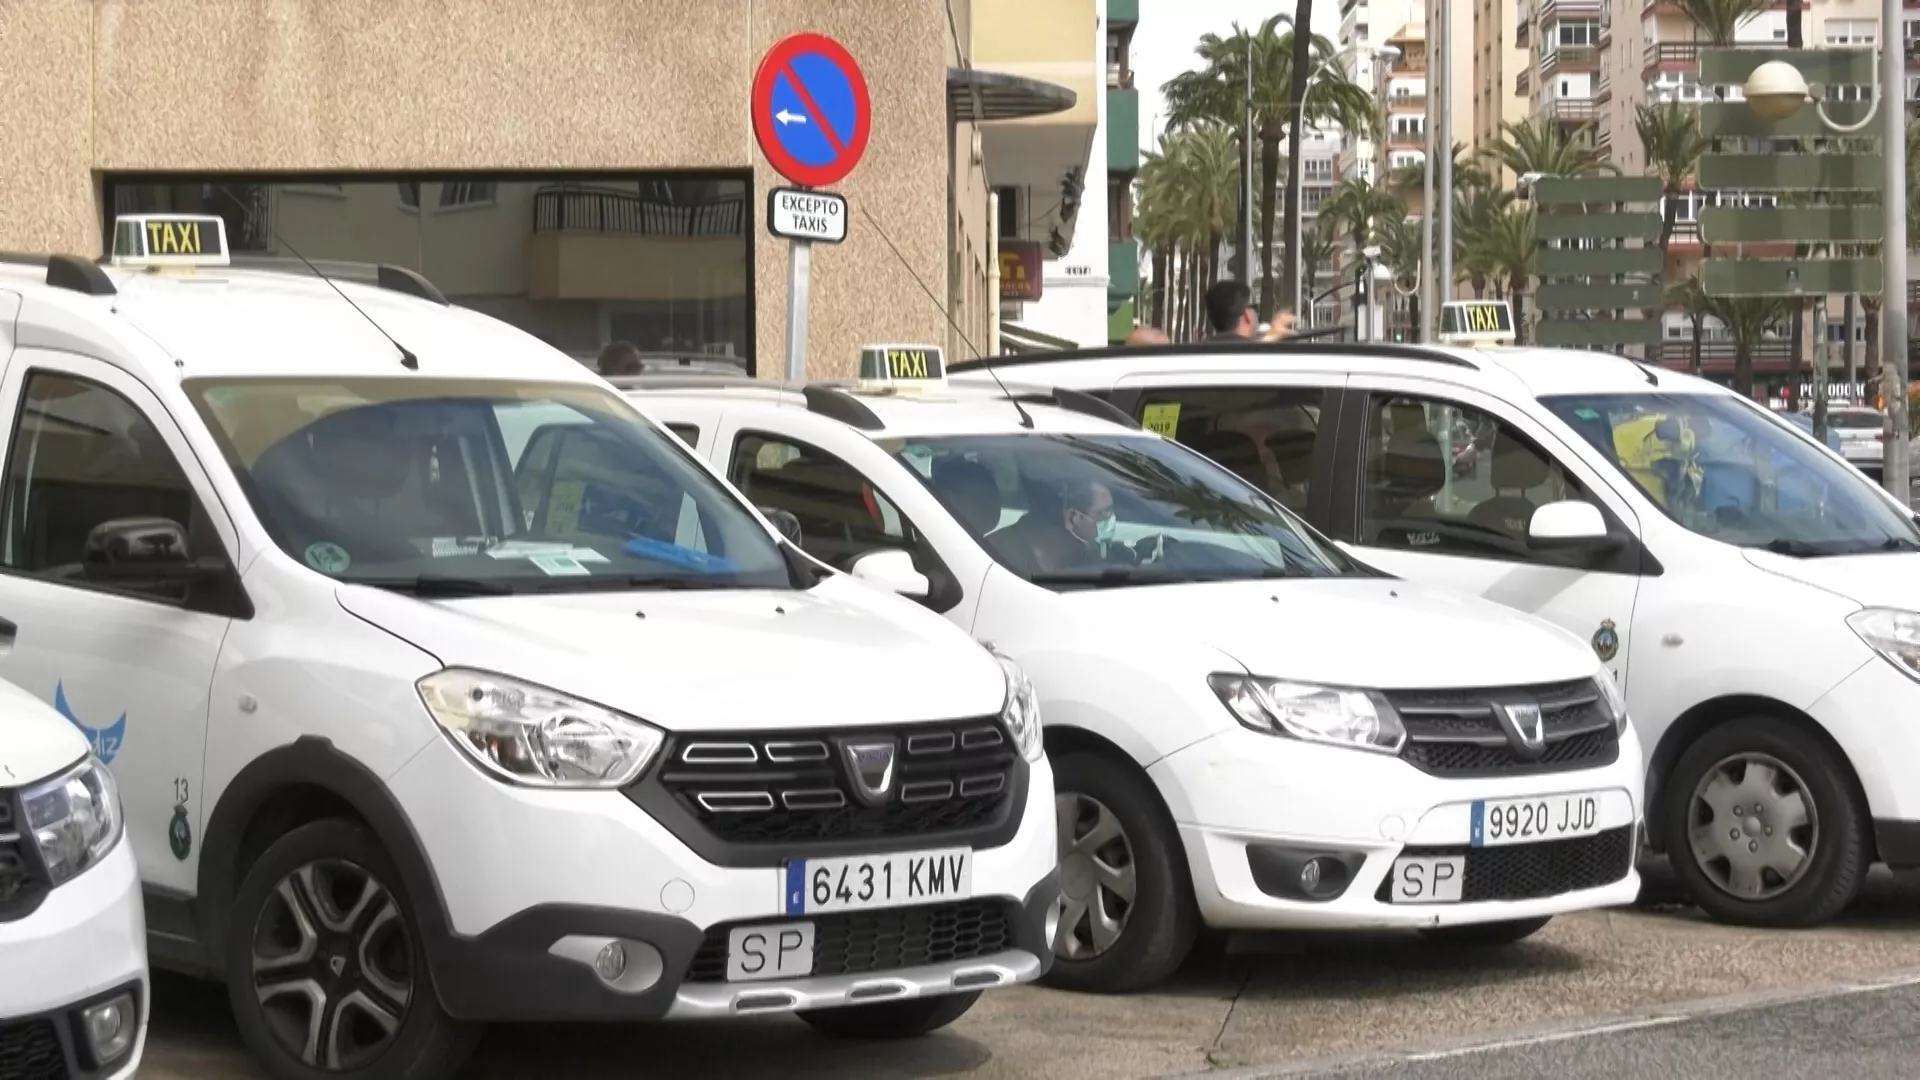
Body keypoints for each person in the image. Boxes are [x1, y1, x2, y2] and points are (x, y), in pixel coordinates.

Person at [993, 478, 1116, 574]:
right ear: (1073, 517)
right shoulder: (998, 556)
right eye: (1103, 513)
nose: (1110, 519)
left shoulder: (1095, 558)